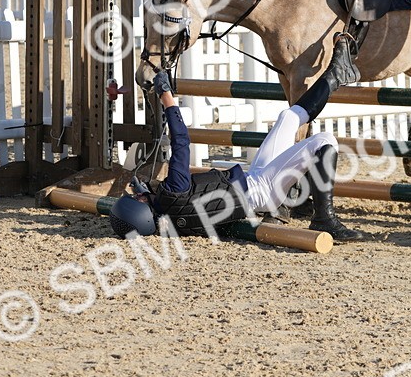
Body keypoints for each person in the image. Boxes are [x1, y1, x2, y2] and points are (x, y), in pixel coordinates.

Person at [111, 34, 366, 242]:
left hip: (254, 182)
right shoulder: (173, 192)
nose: (140, 193)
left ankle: (335, 76)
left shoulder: (172, 216)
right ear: (144, 211)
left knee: (288, 118)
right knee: (324, 140)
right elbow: (181, 140)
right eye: (138, 199)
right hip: (264, 189)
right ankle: (325, 218)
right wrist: (165, 95)